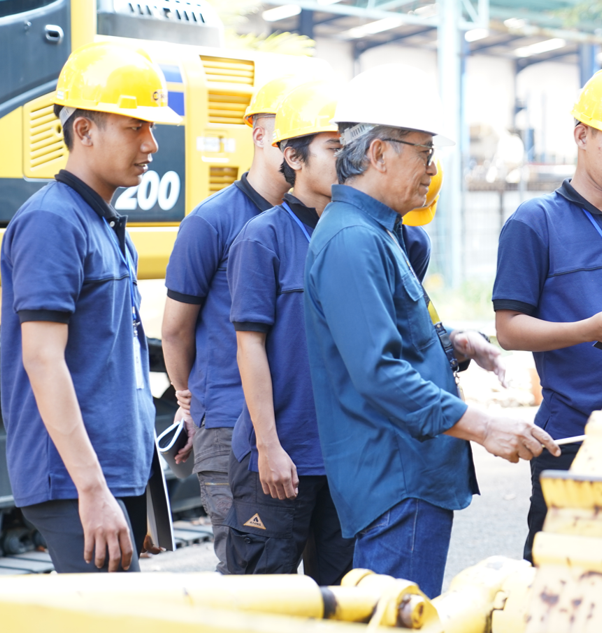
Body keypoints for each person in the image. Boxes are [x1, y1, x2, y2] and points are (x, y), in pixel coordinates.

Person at [305, 64, 556, 597]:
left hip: (409, 472)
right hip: (397, 478)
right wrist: (484, 426)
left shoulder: (380, 231)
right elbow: (378, 373)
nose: (431, 167)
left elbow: (395, 338)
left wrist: (452, 345)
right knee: (402, 612)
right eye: (423, 151)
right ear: (378, 154)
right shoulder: (353, 241)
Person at [0, 41, 181, 573]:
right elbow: (43, 359)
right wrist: (93, 491)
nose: (151, 143)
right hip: (76, 480)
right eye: (134, 127)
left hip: (108, 476)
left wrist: (138, 493)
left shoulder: (104, 224)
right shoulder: (53, 223)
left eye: (152, 128)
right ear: (84, 131)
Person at [492, 67, 602, 563]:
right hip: (569, 435)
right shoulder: (535, 222)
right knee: (555, 571)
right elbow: (508, 330)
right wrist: (588, 331)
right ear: (580, 135)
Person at [162, 73, 305, 572]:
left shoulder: (313, 223)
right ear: (258, 135)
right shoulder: (212, 221)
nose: (293, 144)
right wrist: (188, 401)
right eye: (282, 130)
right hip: (227, 424)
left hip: (295, 421)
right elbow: (175, 328)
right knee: (249, 572)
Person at [222, 81, 361, 584]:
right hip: (279, 458)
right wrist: (269, 446)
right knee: (263, 602)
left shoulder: (358, 238)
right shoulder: (263, 238)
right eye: (332, 148)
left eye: (351, 147)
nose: (346, 160)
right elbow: (250, 346)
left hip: (346, 461)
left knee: (342, 604)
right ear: (293, 156)